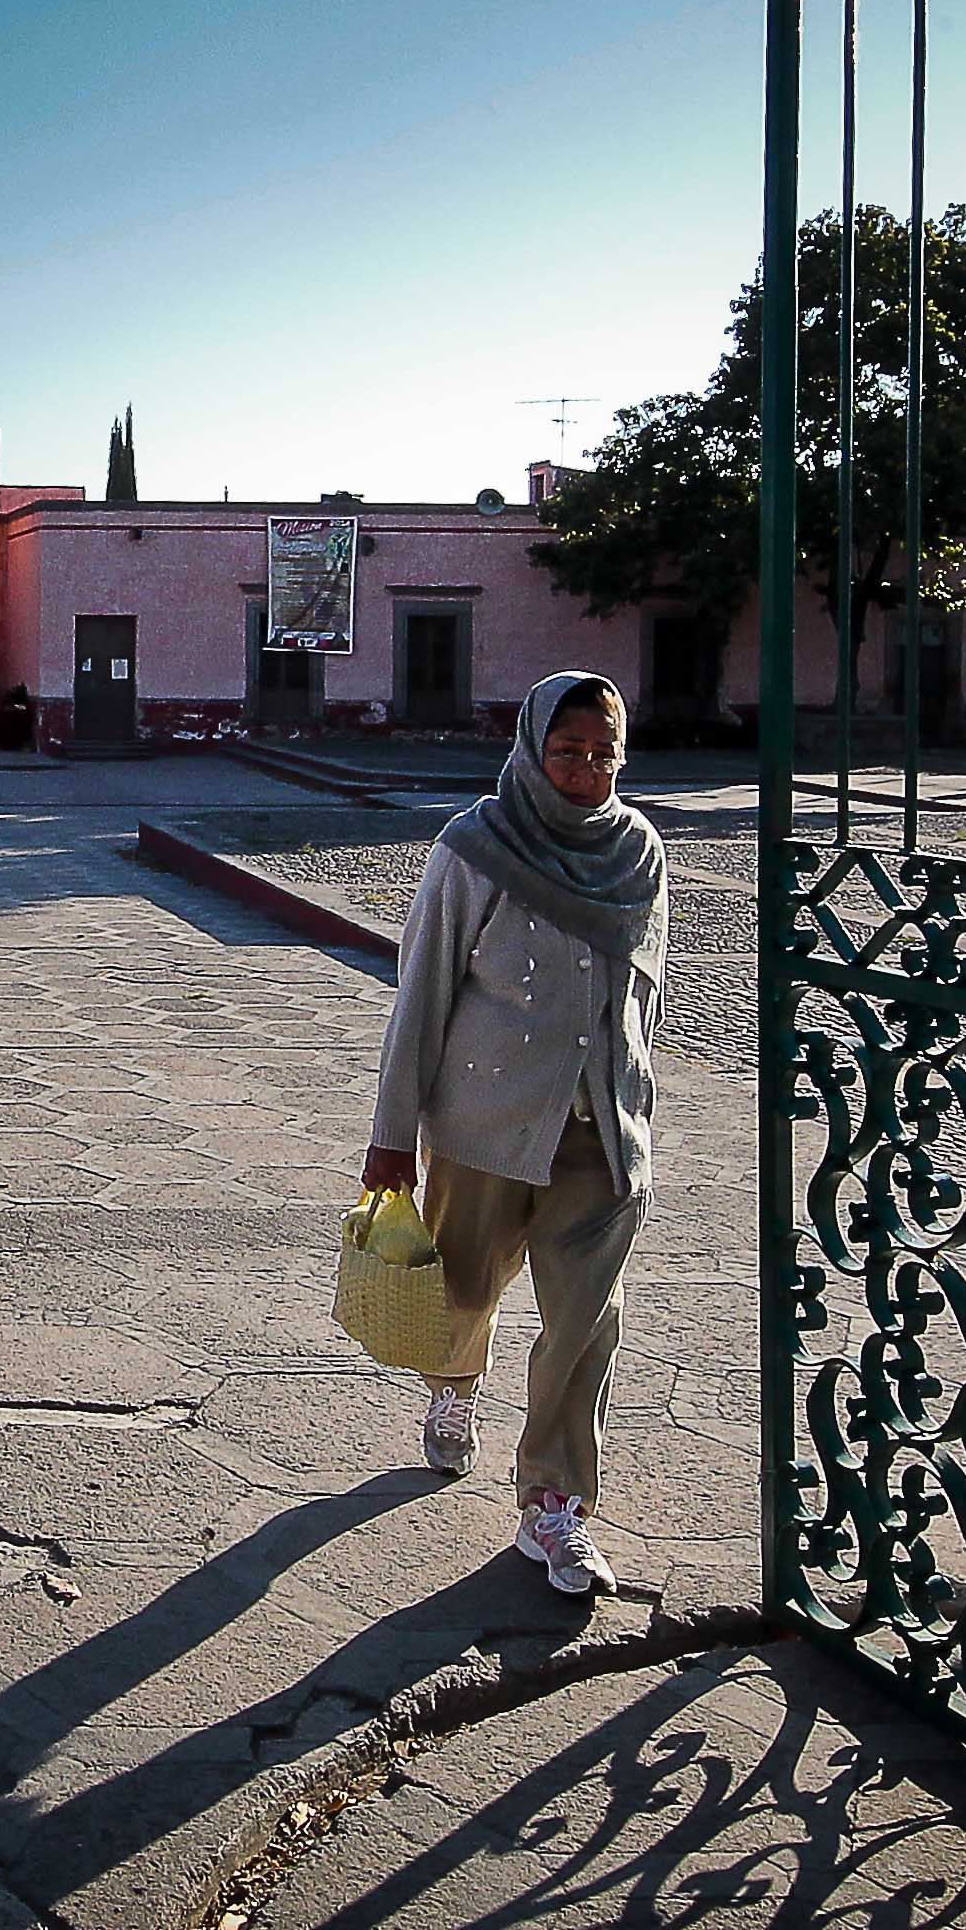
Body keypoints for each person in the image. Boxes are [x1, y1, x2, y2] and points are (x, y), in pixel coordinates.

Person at [363, 670, 667, 1595]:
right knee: (461, 1293)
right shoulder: (476, 849)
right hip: (484, 1126)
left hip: (602, 1133)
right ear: (534, 749)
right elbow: (421, 994)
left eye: (603, 753)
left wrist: (638, 1108)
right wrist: (392, 1137)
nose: (586, 771)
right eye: (567, 752)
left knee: (584, 1323)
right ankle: (454, 1390)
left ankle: (553, 1503)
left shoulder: (641, 852)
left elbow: (649, 989)